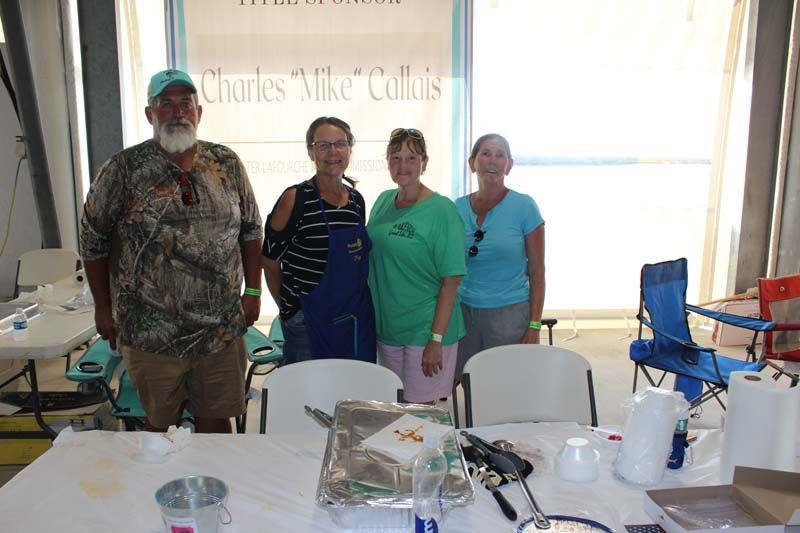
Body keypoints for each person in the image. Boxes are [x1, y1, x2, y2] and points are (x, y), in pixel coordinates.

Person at [79, 69, 263, 433]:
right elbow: (92, 238)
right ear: (150, 113)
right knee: (159, 429)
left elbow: (251, 230)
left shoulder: (225, 162)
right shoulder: (123, 169)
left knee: (217, 423)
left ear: (199, 111)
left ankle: (217, 490)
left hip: (220, 330)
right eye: (166, 104)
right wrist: (103, 307)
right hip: (151, 331)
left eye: (185, 103)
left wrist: (254, 292)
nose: (177, 111)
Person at [262, 117, 375, 364]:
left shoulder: (356, 201)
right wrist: (289, 310)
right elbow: (269, 262)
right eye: (323, 145)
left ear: (349, 149)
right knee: (309, 399)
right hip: (307, 324)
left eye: (340, 144)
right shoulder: (295, 199)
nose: (333, 152)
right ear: (311, 151)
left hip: (351, 318)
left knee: (351, 393)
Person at [368, 128, 466, 403]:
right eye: (395, 157)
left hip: (426, 329)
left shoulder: (442, 211)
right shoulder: (383, 200)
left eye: (411, 158)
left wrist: (435, 339)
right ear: (387, 161)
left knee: (420, 417)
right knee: (392, 408)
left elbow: (451, 282)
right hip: (388, 327)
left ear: (424, 162)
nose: (403, 165)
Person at [454, 133, 545, 380]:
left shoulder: (525, 207)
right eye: (485, 154)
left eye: (500, 155)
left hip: (509, 316)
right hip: (463, 314)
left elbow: (537, 271)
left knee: (506, 385)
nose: (492, 161)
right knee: (469, 383)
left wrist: (534, 326)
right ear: (472, 162)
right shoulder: (456, 209)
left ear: (509, 165)